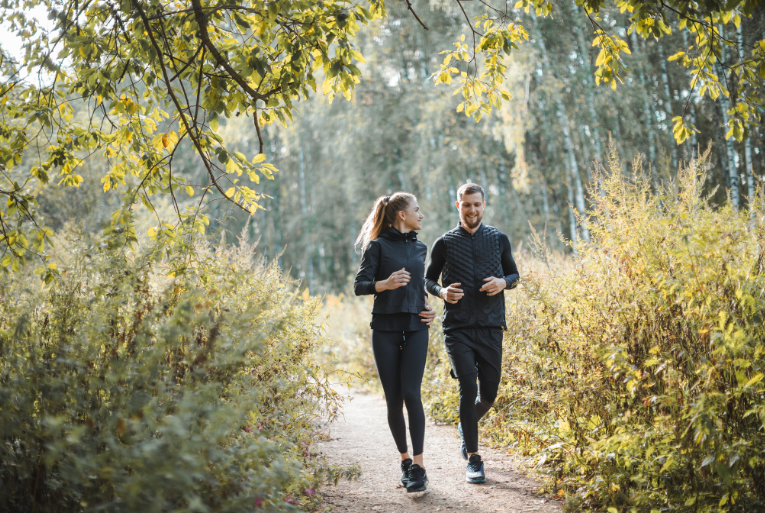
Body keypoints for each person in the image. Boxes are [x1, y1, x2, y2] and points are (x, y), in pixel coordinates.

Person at [424, 183, 519, 484]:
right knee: (468, 385)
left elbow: (514, 274)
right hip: (458, 328)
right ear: (458, 206)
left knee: (488, 394)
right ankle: (474, 460)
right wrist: (441, 292)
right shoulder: (445, 243)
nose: (472, 210)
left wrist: (504, 283)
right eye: (467, 205)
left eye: (477, 204)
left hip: (492, 326)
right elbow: (428, 280)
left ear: (484, 204)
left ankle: (467, 427)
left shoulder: (498, 239)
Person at [353, 192, 436, 493]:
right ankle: (404, 460)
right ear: (402, 215)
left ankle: (419, 466)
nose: (421, 214)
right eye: (417, 210)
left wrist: (429, 306)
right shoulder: (376, 247)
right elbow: (359, 285)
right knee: (394, 398)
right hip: (385, 328)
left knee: (412, 394)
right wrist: (384, 284)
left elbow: (419, 286)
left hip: (416, 326)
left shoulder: (421, 247)